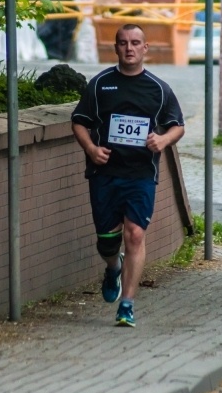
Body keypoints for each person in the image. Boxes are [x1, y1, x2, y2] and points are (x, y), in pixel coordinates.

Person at [71, 23, 185, 327]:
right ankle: (113, 267)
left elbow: (177, 125)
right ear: (116, 48)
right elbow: (79, 122)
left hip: (140, 175)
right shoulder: (100, 85)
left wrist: (162, 140)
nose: (129, 48)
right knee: (107, 242)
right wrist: (92, 149)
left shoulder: (159, 89)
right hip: (105, 174)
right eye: (123, 43)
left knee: (134, 234)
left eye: (135, 43)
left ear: (145, 48)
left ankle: (127, 304)